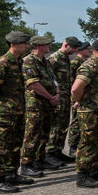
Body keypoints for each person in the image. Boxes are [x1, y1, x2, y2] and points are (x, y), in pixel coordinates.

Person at [0, 30, 31, 193]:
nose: (27, 46)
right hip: (6, 112)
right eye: (24, 43)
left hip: (18, 111)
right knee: (1, 145)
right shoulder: (3, 62)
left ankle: (11, 174)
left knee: (15, 144)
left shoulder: (19, 62)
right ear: (14, 44)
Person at [71, 39, 98, 188]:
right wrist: (82, 102)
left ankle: (94, 170)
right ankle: (82, 175)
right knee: (88, 144)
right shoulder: (89, 66)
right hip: (91, 112)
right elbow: (76, 88)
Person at [18, 36, 60, 178]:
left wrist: (57, 93)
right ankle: (26, 164)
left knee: (44, 133)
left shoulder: (44, 61)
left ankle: (39, 160)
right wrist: (50, 97)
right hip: (35, 104)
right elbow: (33, 84)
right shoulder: (29, 61)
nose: (49, 46)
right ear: (37, 46)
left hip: (48, 103)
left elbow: (53, 79)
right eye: (46, 44)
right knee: (32, 134)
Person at [46, 36, 79, 164]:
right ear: (65, 45)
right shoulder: (54, 59)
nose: (75, 51)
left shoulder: (65, 58)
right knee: (55, 126)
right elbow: (48, 79)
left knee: (63, 126)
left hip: (65, 98)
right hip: (57, 98)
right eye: (73, 48)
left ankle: (57, 151)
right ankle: (49, 153)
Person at [65, 41, 91, 157]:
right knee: (76, 122)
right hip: (76, 96)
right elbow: (72, 81)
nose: (90, 51)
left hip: (83, 96)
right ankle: (72, 146)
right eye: (87, 49)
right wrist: (75, 99)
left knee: (81, 122)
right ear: (81, 50)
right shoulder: (76, 62)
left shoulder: (84, 62)